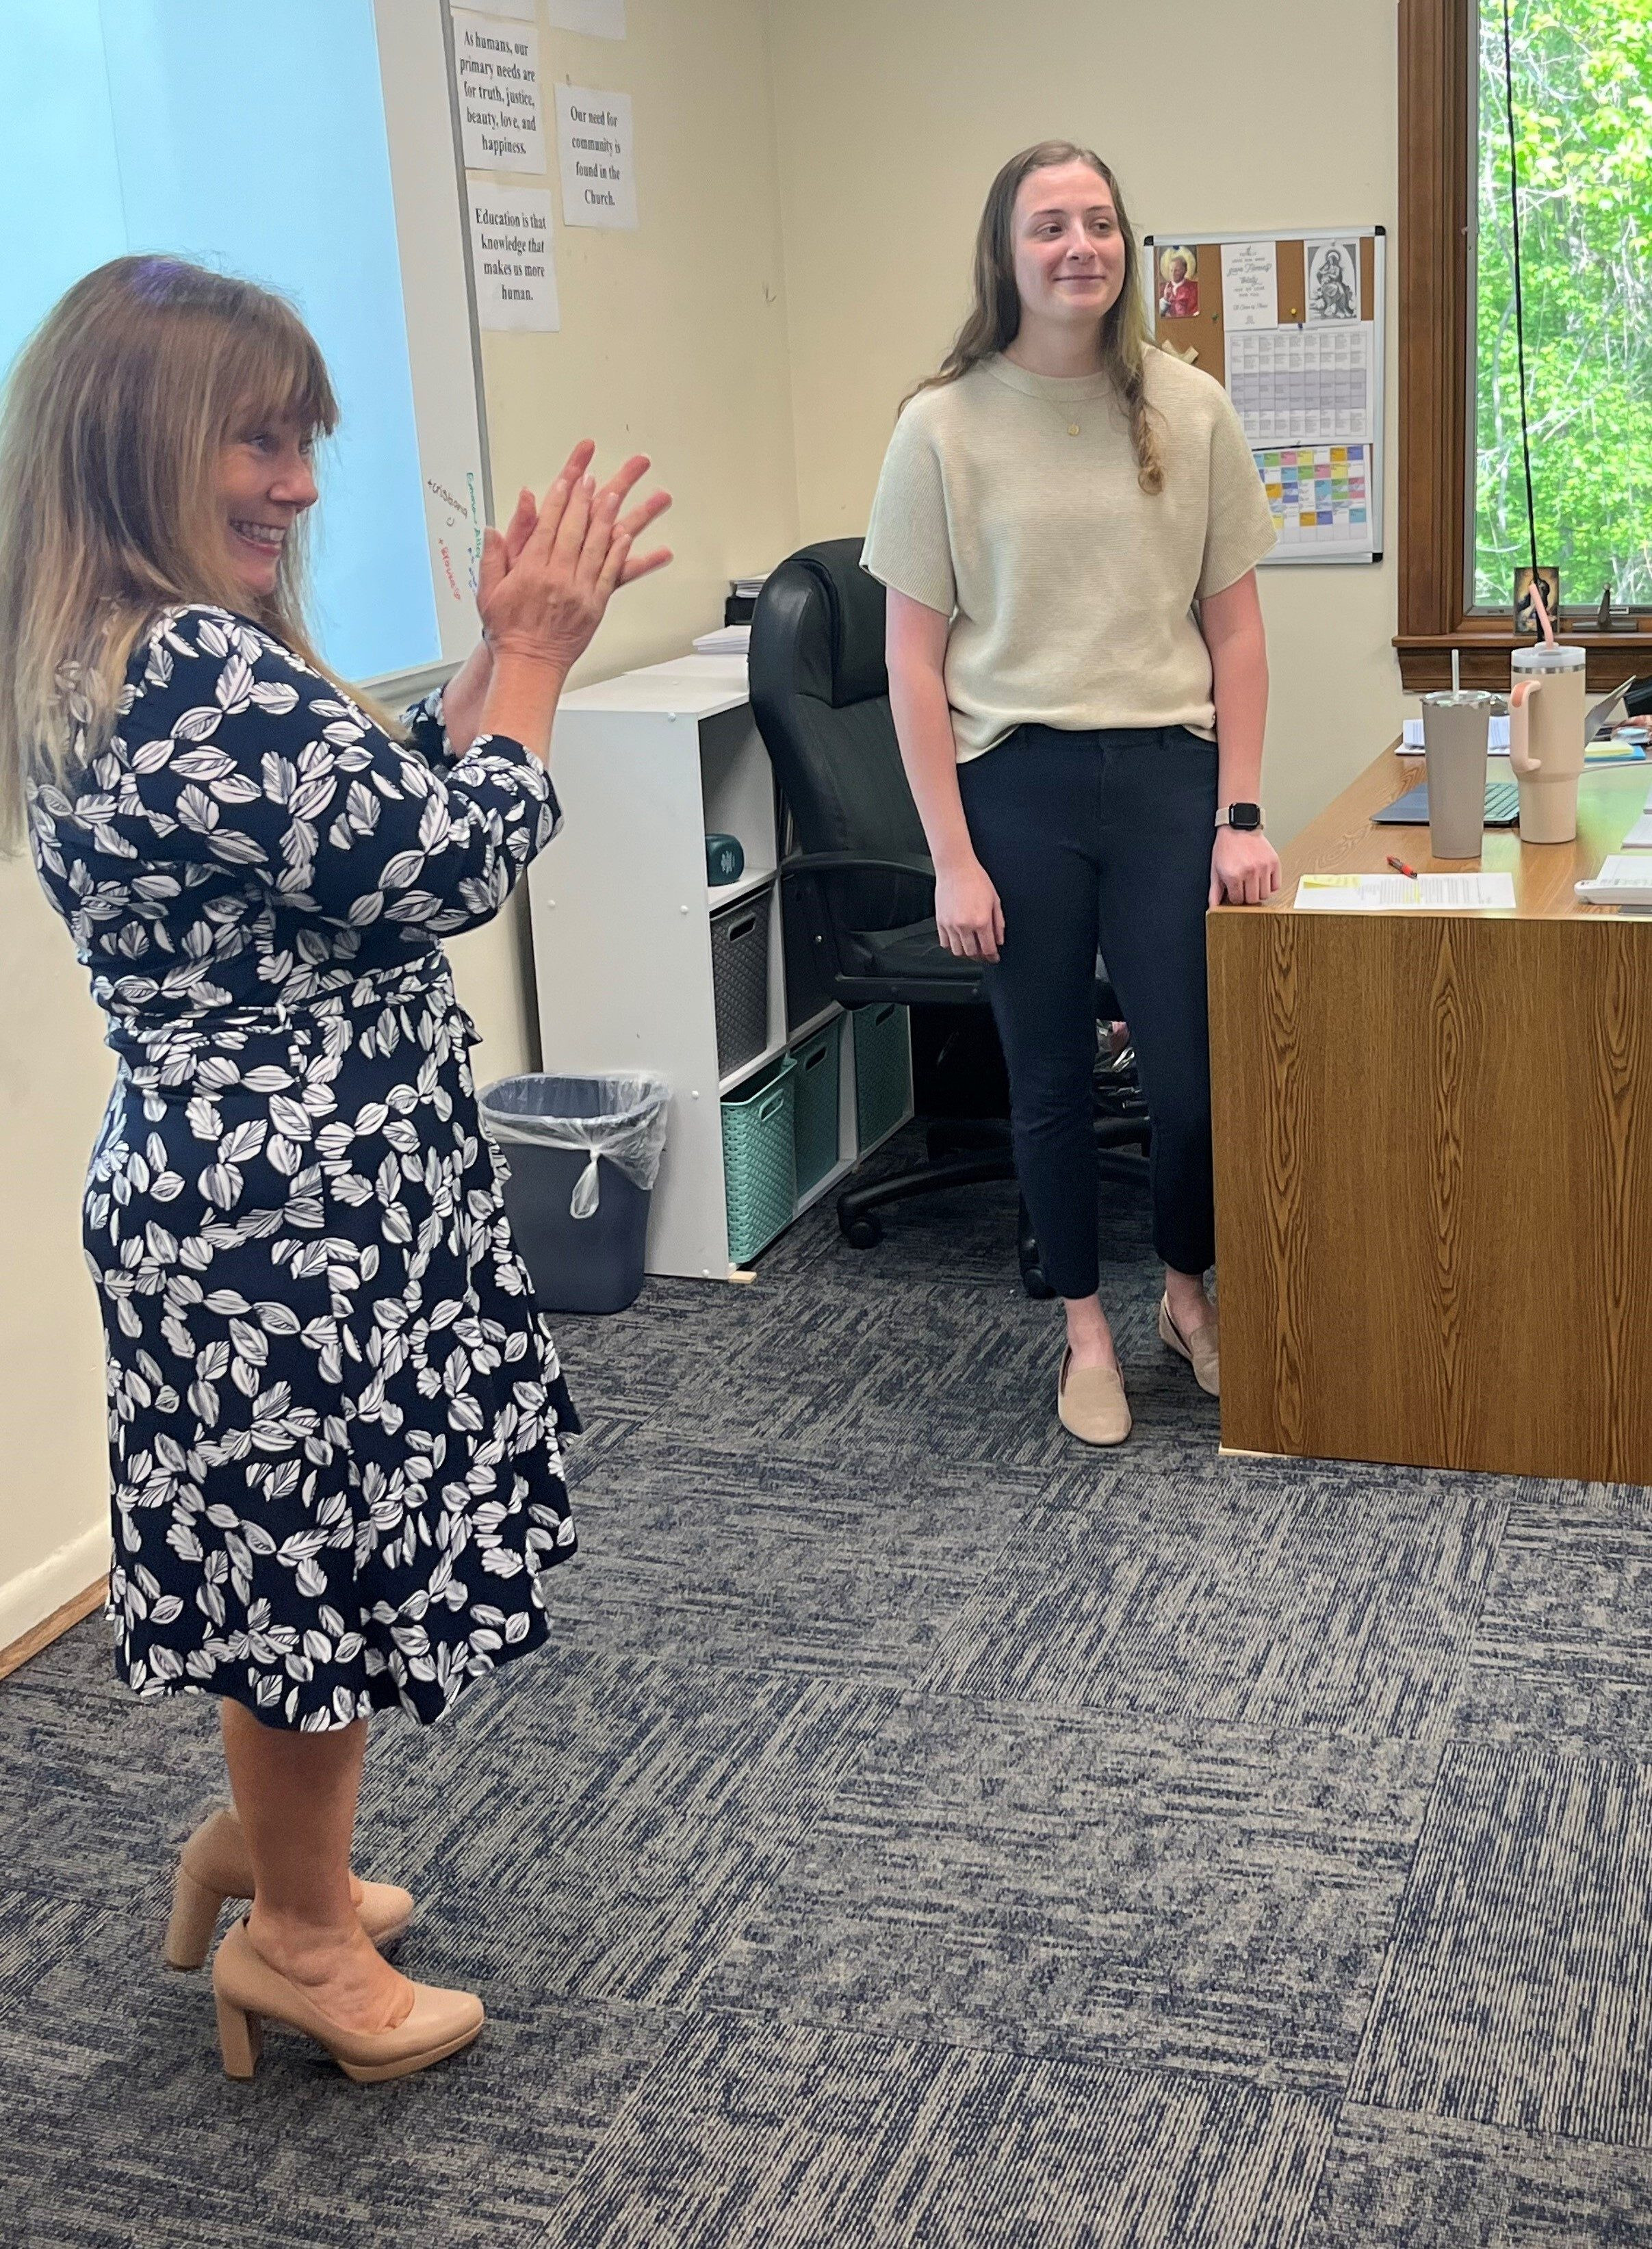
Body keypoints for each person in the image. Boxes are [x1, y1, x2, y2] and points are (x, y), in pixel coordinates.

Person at [0, 258, 671, 2081]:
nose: (299, 481)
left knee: (291, 1561)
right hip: (291, 1219)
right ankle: (294, 1935)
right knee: (320, 1575)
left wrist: (493, 666)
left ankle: (264, 1848)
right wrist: (534, 650)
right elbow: (455, 868)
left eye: (307, 443)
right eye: (259, 437)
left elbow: (379, 830)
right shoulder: (196, 671)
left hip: (233, 1197)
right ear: (136, 441)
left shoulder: (101, 647)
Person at [864, 142, 1277, 1448]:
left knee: (1189, 1080)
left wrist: (1241, 813)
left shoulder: (1190, 407)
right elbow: (910, 663)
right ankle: (1084, 1331)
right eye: (1048, 226)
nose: (1076, 247)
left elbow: (1239, 634)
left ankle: (1183, 1298)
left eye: (1097, 223)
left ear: (1122, 245)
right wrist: (949, 857)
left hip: (1167, 776)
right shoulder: (938, 423)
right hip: (1016, 785)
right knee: (1042, 1079)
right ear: (1005, 253)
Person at [1159, 252, 1198, 321]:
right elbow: (1156, 314)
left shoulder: (1194, 287)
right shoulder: (1163, 288)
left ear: (1185, 270)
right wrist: (1165, 299)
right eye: (1171, 270)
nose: (1173, 274)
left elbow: (1197, 313)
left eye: (1177, 270)